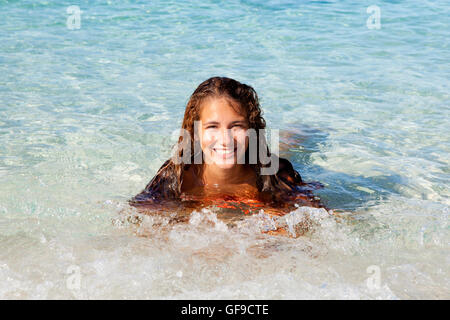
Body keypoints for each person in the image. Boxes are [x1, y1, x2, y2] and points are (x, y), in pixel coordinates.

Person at [129, 77, 322, 216]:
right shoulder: (177, 176)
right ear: (196, 132)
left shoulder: (273, 174)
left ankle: (303, 131)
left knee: (285, 149)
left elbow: (317, 217)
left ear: (251, 129)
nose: (225, 139)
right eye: (212, 126)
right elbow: (137, 220)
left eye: (236, 126)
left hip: (259, 160)